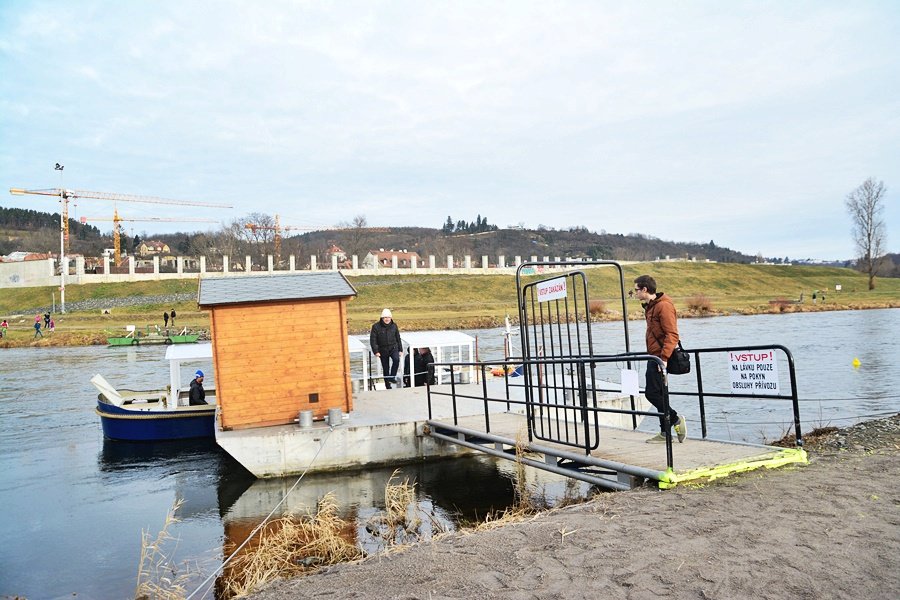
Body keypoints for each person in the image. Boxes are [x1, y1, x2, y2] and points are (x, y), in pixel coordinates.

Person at [633, 275, 687, 444]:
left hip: (660, 357)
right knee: (660, 394)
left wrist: (663, 359)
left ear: (644, 290)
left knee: (652, 393)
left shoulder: (663, 306)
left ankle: (675, 419)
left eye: (636, 290)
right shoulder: (651, 306)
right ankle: (665, 433)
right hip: (654, 355)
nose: (634, 293)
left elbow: (672, 334)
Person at [370, 308, 402, 389]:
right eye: (385, 317)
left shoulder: (394, 326)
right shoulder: (376, 327)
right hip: (382, 349)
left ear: (391, 318)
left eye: (388, 317)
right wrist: (376, 351)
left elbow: (398, 338)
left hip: (393, 347)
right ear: (382, 318)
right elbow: (373, 340)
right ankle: (387, 385)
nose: (387, 319)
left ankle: (392, 377)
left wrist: (400, 349)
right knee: (385, 368)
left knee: (396, 360)